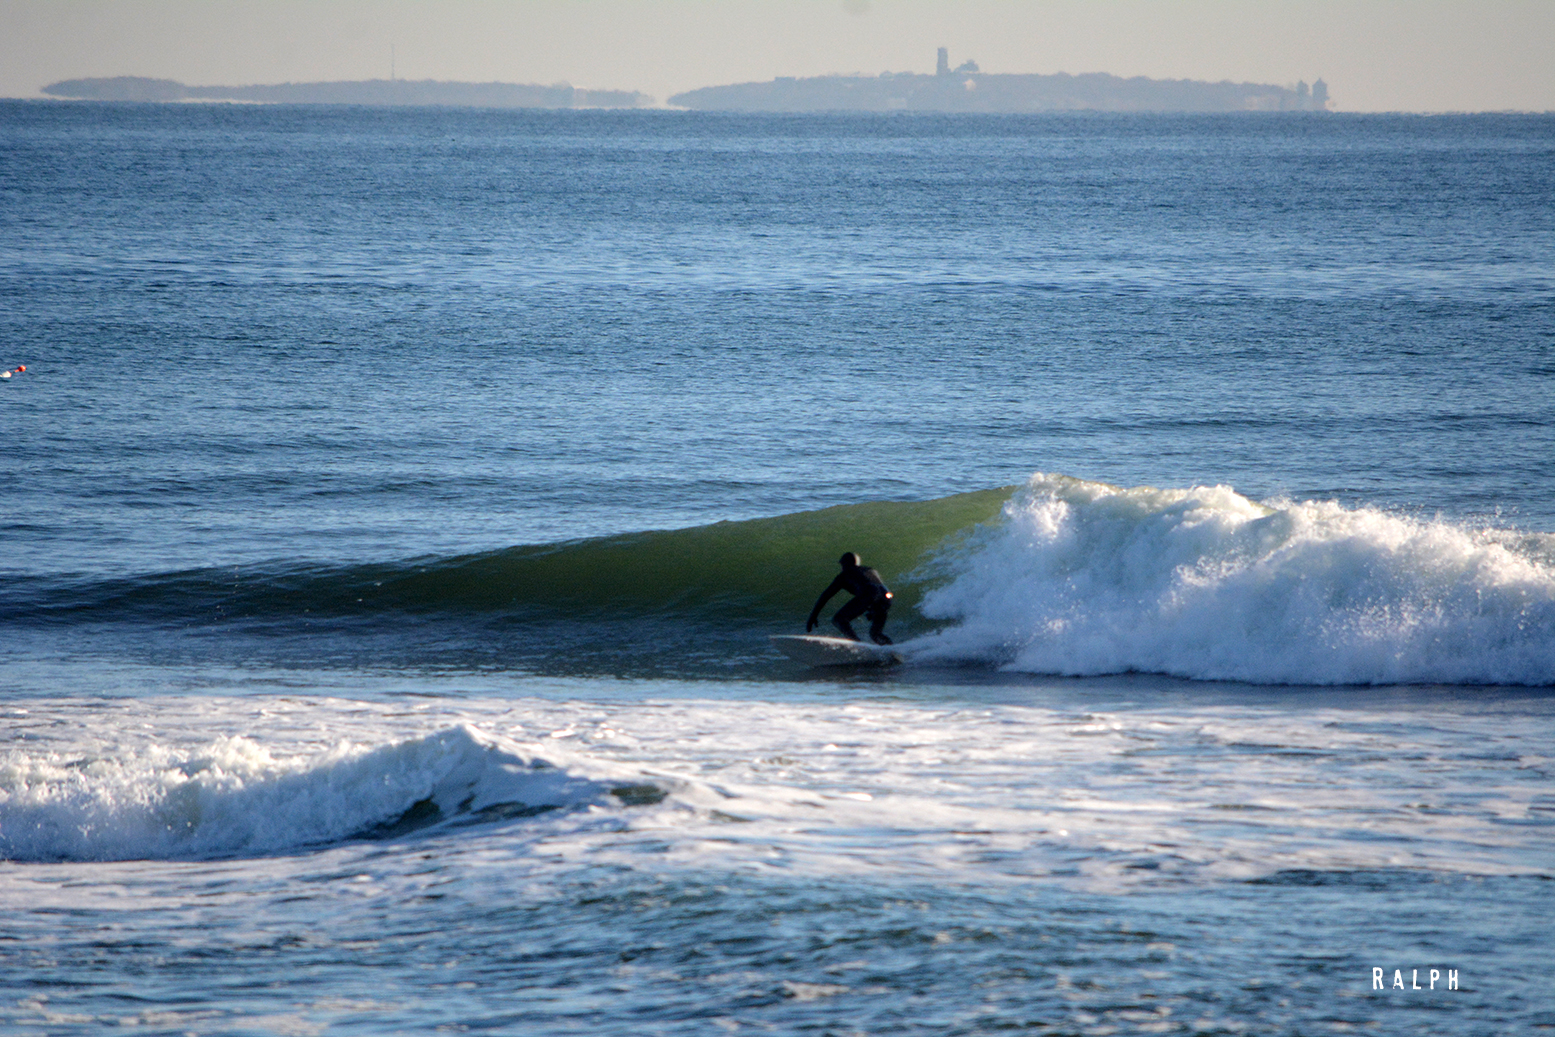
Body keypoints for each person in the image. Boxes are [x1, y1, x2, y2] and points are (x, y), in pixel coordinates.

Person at [807, 552, 894, 645]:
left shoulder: (845, 575)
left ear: (845, 564)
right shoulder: (869, 570)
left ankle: (857, 644)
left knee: (838, 619)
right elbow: (879, 590)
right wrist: (873, 609)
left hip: (869, 594)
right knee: (875, 634)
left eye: (842, 564)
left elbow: (826, 595)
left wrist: (813, 616)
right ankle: (891, 648)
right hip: (885, 597)